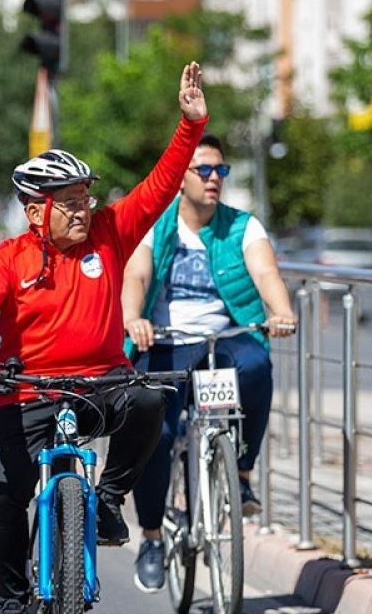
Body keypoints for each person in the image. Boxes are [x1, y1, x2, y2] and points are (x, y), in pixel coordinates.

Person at [0, 62, 209, 614]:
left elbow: (160, 186)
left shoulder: (110, 232)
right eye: (68, 202)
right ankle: (12, 600)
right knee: (5, 500)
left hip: (102, 384)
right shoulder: (8, 259)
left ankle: (111, 499)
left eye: (84, 198)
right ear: (34, 210)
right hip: (26, 393)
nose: (81, 209)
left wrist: (190, 125)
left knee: (148, 398)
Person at [122, 132, 296, 592]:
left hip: (224, 337)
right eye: (204, 170)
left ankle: (240, 473)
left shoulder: (243, 226)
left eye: (221, 170)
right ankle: (153, 537)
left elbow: (265, 273)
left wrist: (280, 311)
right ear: (181, 178)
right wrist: (133, 317)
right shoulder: (156, 224)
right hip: (165, 340)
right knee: (154, 431)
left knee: (257, 366)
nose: (214, 178)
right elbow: (136, 273)